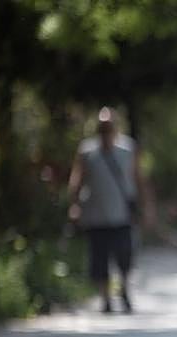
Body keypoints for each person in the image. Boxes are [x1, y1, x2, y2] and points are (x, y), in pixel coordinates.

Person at [67, 107, 149, 313]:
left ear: (116, 128)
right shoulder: (87, 151)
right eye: (102, 128)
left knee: (125, 256)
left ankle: (124, 288)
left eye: (109, 127)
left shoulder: (128, 149)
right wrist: (74, 205)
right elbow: (77, 179)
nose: (105, 132)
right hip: (95, 215)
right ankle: (105, 299)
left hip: (122, 215)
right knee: (99, 260)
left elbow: (139, 178)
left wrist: (147, 207)